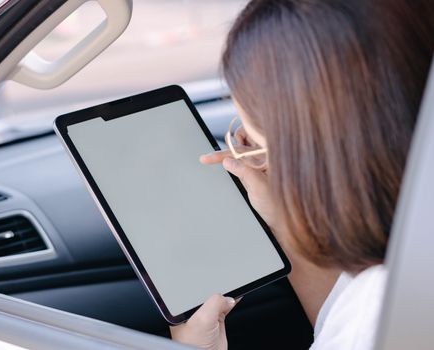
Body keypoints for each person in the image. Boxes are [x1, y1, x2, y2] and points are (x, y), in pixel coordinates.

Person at [170, 0, 434, 349]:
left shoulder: (384, 312)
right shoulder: (399, 264)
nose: (248, 157)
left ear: (314, 160)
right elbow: (337, 319)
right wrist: (285, 222)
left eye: (254, 143)